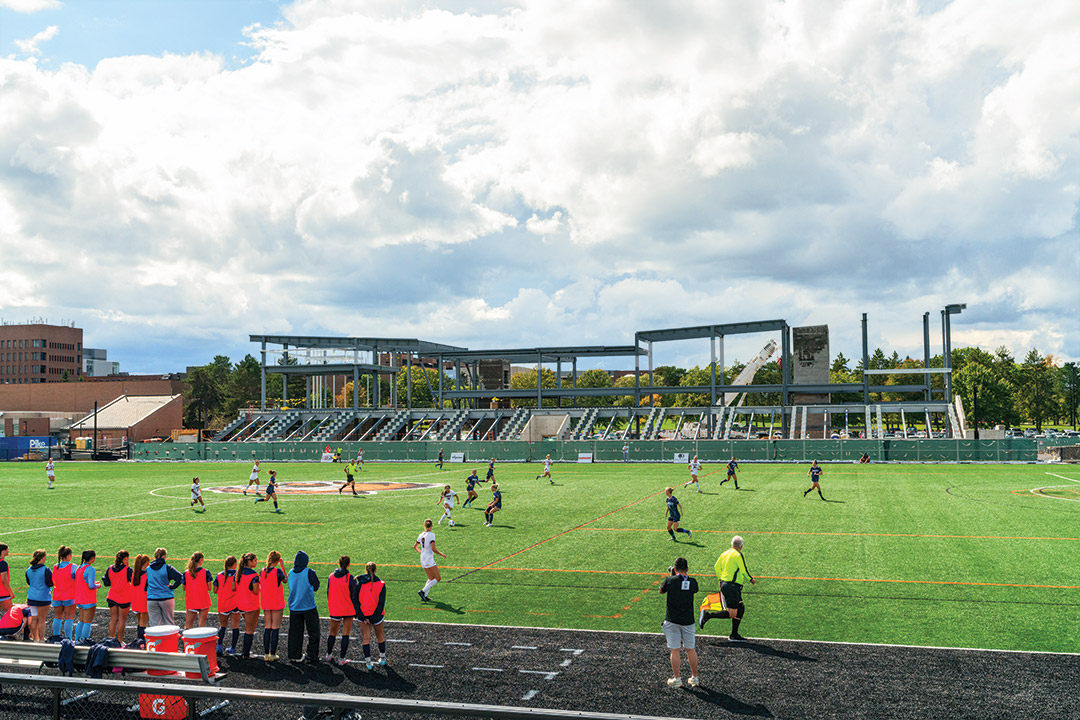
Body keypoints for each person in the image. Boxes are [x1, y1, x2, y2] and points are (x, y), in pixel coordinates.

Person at [703, 536, 755, 642]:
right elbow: (743, 570)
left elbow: (716, 567)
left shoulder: (724, 553)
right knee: (732, 613)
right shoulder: (738, 555)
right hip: (732, 586)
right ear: (741, 546)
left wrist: (720, 579)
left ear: (732, 544)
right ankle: (708, 615)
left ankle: (734, 634)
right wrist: (751, 579)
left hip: (727, 585)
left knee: (740, 608)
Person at [660, 557, 700, 688]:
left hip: (672, 620)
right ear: (687, 569)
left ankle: (677, 679)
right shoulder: (693, 582)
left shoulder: (669, 580)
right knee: (690, 649)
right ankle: (694, 678)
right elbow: (693, 589)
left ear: (675, 569)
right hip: (688, 620)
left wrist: (672, 576)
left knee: (675, 650)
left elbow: (661, 590)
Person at [287, 551, 321, 664]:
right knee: (314, 631)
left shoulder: (291, 572)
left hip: (295, 606)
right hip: (308, 606)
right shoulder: (309, 572)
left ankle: (294, 655)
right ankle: (311, 654)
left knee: (295, 632)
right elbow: (316, 586)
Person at [355, 561, 387, 670]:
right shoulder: (381, 584)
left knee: (366, 638)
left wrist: (363, 616)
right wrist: (373, 617)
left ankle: (368, 663)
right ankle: (382, 659)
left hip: (363, 616)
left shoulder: (359, 584)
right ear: (375, 570)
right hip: (377, 616)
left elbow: (355, 601)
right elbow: (381, 603)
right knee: (380, 636)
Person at [326, 556, 356, 665]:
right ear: (348, 564)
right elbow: (354, 596)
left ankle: (329, 655)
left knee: (332, 633)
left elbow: (328, 592)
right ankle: (342, 659)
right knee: (345, 634)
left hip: (335, 608)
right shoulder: (350, 578)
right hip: (348, 609)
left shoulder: (331, 576)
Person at [145, 548, 184, 628]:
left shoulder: (148, 569)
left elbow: (146, 584)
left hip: (152, 599)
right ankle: (170, 640)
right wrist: (172, 586)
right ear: (164, 556)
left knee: (154, 625)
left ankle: (156, 640)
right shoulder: (167, 568)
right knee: (169, 623)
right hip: (166, 598)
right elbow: (180, 577)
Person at [259, 551, 287, 661]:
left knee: (267, 626)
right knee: (275, 627)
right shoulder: (277, 571)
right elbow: (285, 580)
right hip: (276, 601)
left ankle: (266, 654)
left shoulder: (262, 571)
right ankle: (273, 653)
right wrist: (282, 566)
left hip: (266, 601)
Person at [235, 552, 261, 658]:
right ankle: (245, 653)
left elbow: (233, 587)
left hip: (241, 604)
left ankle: (245, 652)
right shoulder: (253, 575)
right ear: (249, 561)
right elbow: (255, 591)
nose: (256, 562)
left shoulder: (238, 573)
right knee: (249, 629)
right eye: (255, 560)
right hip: (251, 605)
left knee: (248, 628)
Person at [102, 550, 132, 642]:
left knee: (113, 619)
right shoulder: (128, 570)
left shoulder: (110, 568)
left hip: (112, 597)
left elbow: (106, 583)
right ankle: (119, 641)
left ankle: (111, 639)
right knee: (122, 620)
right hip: (124, 598)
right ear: (125, 558)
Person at [214, 556, 241, 654]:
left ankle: (219, 646)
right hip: (235, 604)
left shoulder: (219, 575)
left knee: (223, 626)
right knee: (235, 626)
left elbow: (214, 589)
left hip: (223, 604)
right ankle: (232, 648)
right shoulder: (238, 575)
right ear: (234, 564)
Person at [25, 549, 52, 642]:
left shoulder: (28, 570)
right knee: (41, 619)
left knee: (34, 618)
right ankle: (41, 639)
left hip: (32, 597)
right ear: (43, 558)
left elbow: (29, 582)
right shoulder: (46, 569)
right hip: (43, 597)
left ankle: (34, 637)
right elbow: (50, 583)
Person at [414, 520, 445, 601]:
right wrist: (441, 554)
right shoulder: (431, 535)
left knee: (431, 578)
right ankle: (422, 591)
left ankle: (424, 596)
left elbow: (415, 546)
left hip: (422, 558)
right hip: (428, 558)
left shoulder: (420, 535)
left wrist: (422, 552)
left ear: (424, 525)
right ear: (431, 526)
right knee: (438, 578)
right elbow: (433, 548)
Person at [74, 549, 101, 643]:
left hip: (79, 598)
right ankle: (85, 640)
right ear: (92, 559)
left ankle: (77, 640)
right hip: (88, 599)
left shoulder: (79, 568)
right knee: (87, 622)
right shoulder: (90, 569)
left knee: (81, 620)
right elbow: (91, 585)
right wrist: (98, 585)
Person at [51, 546, 77, 640]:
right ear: (69, 555)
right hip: (69, 596)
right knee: (69, 618)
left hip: (57, 595)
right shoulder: (73, 566)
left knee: (57, 617)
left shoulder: (55, 566)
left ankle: (56, 637)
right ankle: (68, 638)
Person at [183, 552, 213, 629]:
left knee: (188, 625)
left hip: (191, 601)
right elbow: (209, 587)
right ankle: (200, 641)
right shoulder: (206, 572)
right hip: (203, 601)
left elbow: (184, 588)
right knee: (201, 625)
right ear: (201, 560)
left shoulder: (186, 573)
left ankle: (187, 640)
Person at [130, 554, 150, 641]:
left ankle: (139, 640)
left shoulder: (134, 574)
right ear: (146, 563)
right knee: (143, 623)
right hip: (144, 601)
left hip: (135, 601)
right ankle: (141, 641)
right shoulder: (147, 575)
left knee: (140, 622)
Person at [0, 543, 11, 613]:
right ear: (3, 551)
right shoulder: (2, 563)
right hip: (3, 593)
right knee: (10, 614)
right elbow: (4, 579)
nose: (8, 551)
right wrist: (10, 591)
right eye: (7, 550)